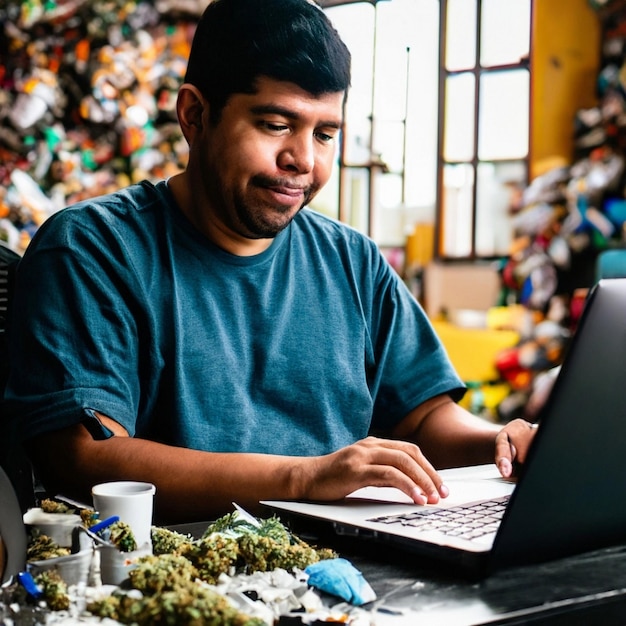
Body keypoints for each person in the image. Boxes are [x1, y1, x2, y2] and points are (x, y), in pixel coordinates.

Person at [2, 0, 536, 524]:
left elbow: (424, 418)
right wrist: (305, 479)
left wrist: (498, 442)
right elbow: (85, 457)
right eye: (277, 124)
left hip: (352, 570)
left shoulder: (352, 261)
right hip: (178, 579)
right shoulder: (93, 248)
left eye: (325, 134)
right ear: (195, 115)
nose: (303, 160)